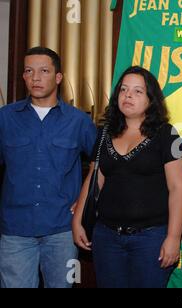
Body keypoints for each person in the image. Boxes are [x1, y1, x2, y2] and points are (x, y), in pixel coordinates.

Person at [72, 66, 182, 288]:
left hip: (150, 239)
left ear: (151, 99)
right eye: (124, 89)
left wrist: (173, 238)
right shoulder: (105, 132)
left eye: (137, 91)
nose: (128, 95)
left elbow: (178, 189)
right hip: (106, 238)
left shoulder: (167, 134)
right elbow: (94, 179)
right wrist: (77, 220)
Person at [0, 47, 97, 288]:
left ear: (58, 77)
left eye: (44, 71)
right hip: (15, 231)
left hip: (63, 231)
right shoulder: (5, 118)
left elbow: (102, 163)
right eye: (29, 71)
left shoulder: (79, 121)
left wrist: (85, 199)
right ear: (23, 76)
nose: (35, 78)